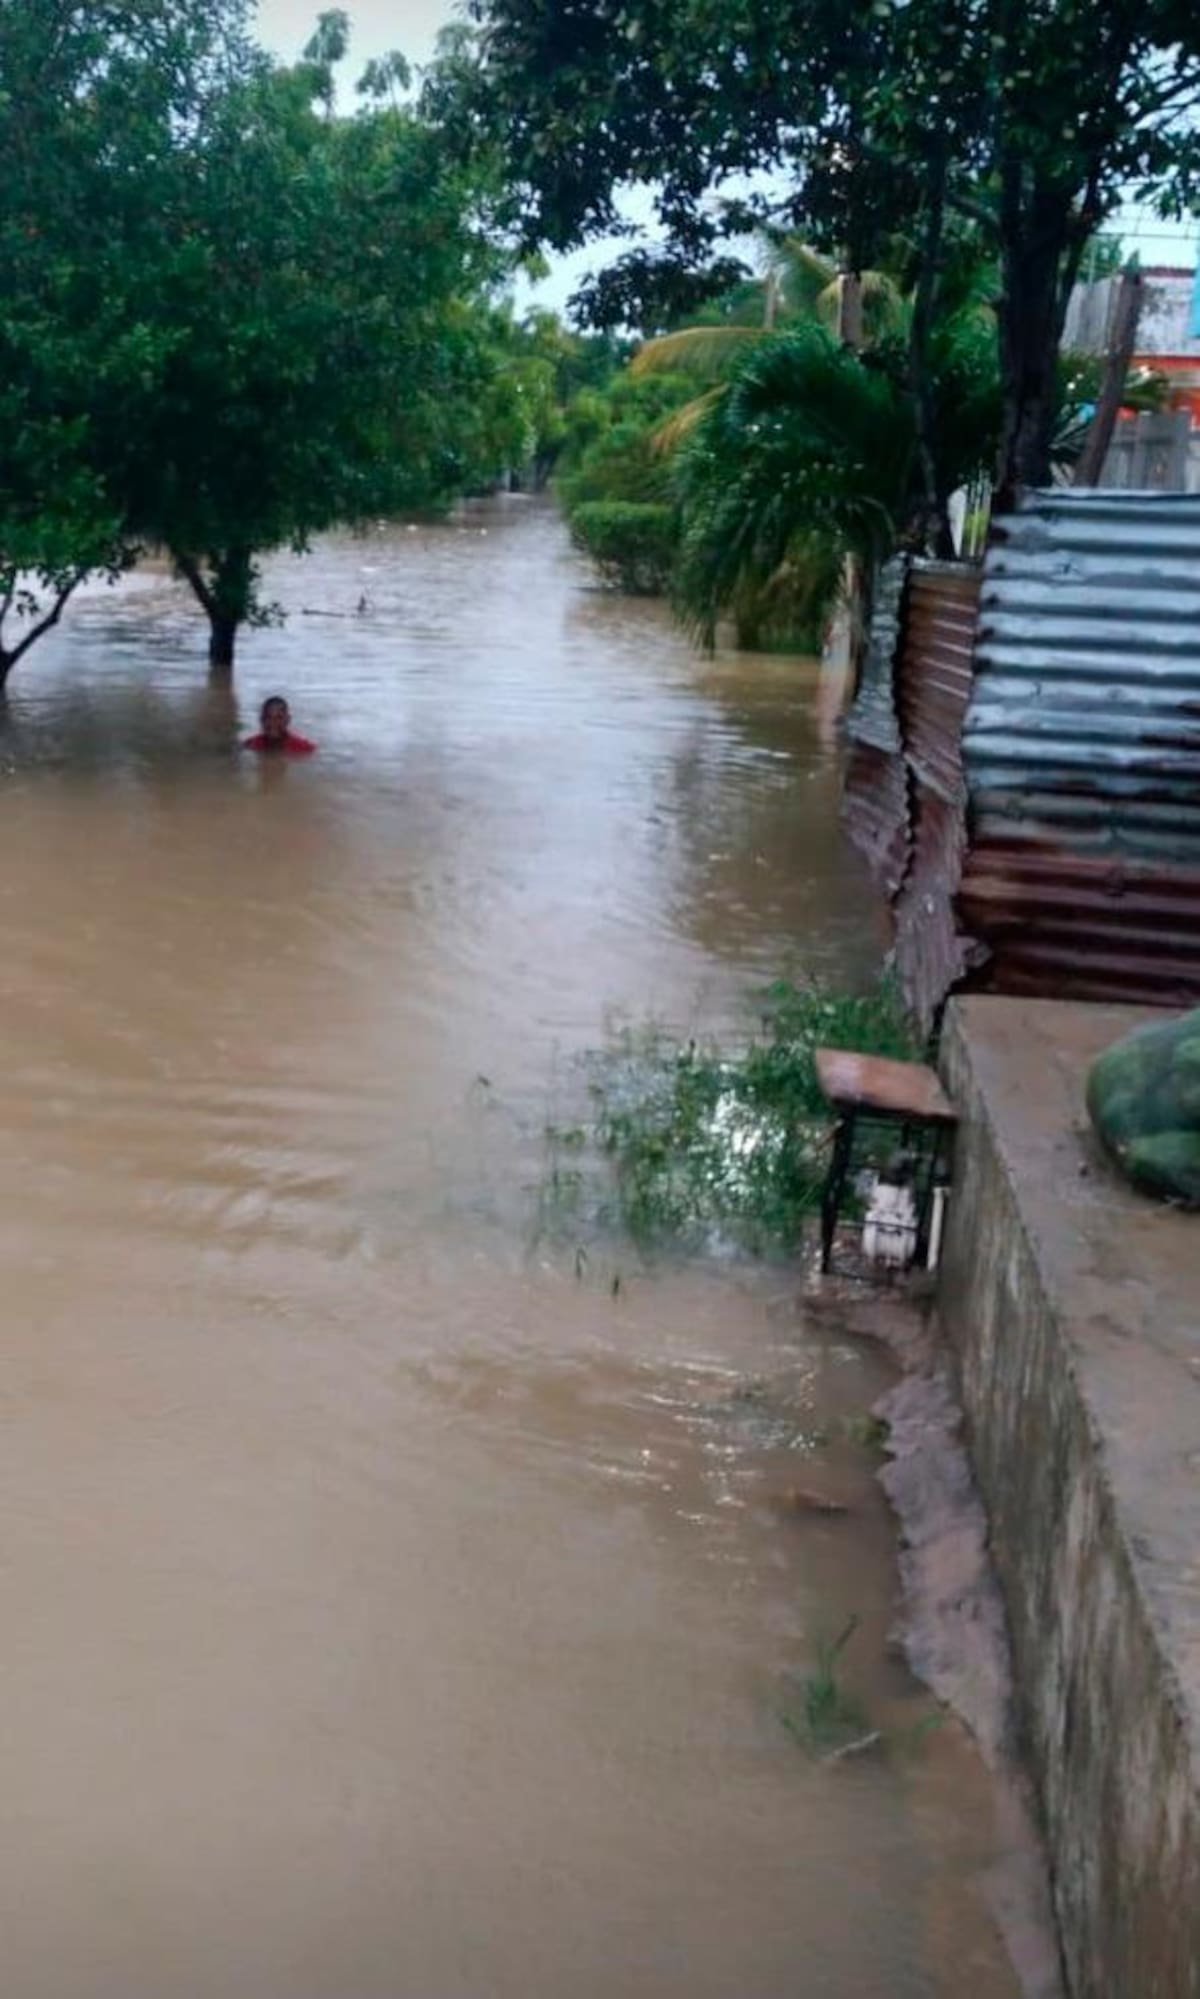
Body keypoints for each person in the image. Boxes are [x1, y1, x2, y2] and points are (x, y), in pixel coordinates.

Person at [243, 695, 316, 755]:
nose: (273, 723)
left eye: (279, 718)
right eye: (268, 717)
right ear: (261, 720)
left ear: (288, 720)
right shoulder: (250, 745)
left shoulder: (305, 748)